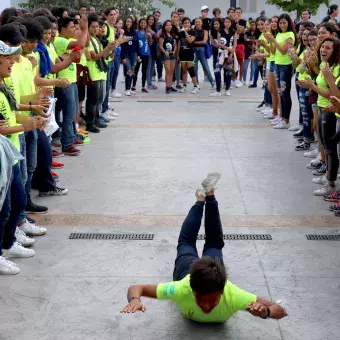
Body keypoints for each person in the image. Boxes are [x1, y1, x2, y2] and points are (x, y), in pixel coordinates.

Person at [121, 173, 287, 322]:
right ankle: (202, 198)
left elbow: (279, 310)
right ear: (192, 290)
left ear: (222, 291)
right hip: (188, 270)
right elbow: (137, 288)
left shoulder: (235, 296)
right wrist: (134, 300)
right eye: (200, 299)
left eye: (212, 300)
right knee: (204, 243)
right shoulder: (180, 289)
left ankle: (207, 195)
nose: (206, 307)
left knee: (192, 243)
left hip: (205, 269)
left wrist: (265, 311)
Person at [298, 37, 340, 196]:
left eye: (328, 48)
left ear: (335, 51)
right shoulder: (325, 65)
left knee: (330, 148)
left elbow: (333, 95)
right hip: (323, 107)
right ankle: (327, 176)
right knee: (325, 144)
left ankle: (330, 183)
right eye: (323, 47)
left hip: (330, 110)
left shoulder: (335, 69)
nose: (323, 50)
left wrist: (313, 86)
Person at [54, 16, 88, 155]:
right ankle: (67, 144)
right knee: (68, 114)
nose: (74, 30)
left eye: (76, 27)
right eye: (72, 27)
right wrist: (84, 28)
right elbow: (81, 41)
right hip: (64, 82)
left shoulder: (66, 40)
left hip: (71, 80)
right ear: (63, 29)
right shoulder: (60, 40)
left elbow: (83, 43)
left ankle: (71, 138)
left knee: (72, 113)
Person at [265, 13, 297, 129]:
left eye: (284, 22)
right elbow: (273, 51)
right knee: (279, 92)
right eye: (280, 23)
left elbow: (283, 51)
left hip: (285, 66)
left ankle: (286, 119)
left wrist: (273, 40)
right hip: (277, 65)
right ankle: (281, 117)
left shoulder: (290, 35)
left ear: (289, 23)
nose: (282, 25)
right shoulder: (278, 34)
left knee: (285, 93)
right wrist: (271, 40)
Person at [85, 14, 116, 133]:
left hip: (100, 73)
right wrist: (108, 48)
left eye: (97, 26)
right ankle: (90, 122)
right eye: (93, 27)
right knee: (92, 100)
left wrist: (110, 49)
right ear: (88, 28)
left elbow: (103, 55)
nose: (96, 29)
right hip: (93, 73)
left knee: (99, 100)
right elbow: (94, 57)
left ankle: (96, 119)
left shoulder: (96, 39)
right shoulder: (89, 40)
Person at [178, 17, 199, 94]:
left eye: (188, 23)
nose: (187, 24)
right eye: (185, 23)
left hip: (190, 53)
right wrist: (177, 54)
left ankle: (195, 86)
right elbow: (179, 43)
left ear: (190, 24)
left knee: (191, 70)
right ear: (183, 24)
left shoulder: (193, 31)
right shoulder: (181, 32)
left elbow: (190, 41)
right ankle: (184, 86)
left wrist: (186, 32)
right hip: (182, 53)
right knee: (183, 71)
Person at [193, 17, 215, 88]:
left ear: (201, 23)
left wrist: (195, 42)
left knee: (206, 67)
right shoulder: (192, 31)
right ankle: (196, 83)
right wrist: (196, 42)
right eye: (196, 22)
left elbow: (204, 41)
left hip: (202, 50)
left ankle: (212, 82)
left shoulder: (205, 31)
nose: (197, 23)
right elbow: (190, 41)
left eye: (199, 22)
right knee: (195, 68)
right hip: (194, 51)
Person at [132, 18, 151, 93]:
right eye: (141, 23)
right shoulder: (136, 32)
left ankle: (143, 86)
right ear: (139, 24)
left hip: (146, 53)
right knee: (136, 70)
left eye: (144, 23)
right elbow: (135, 44)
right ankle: (133, 86)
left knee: (144, 71)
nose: (143, 24)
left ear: (146, 24)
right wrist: (136, 54)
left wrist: (150, 38)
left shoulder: (148, 33)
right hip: (138, 54)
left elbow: (150, 43)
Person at [121, 17, 138, 96]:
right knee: (128, 70)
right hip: (126, 54)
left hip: (133, 54)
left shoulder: (134, 32)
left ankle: (129, 88)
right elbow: (121, 45)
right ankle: (127, 89)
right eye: (127, 21)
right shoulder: (123, 32)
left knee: (132, 70)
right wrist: (123, 57)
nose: (129, 23)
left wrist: (138, 55)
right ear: (125, 22)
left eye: (130, 22)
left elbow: (136, 44)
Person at [159, 20, 177, 94]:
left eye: (170, 25)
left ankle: (170, 86)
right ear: (164, 26)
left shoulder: (173, 35)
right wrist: (165, 52)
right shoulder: (162, 35)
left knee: (172, 71)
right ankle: (167, 86)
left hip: (172, 55)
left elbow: (175, 45)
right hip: (166, 55)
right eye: (167, 25)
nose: (169, 26)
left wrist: (174, 52)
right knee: (168, 71)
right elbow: (160, 46)